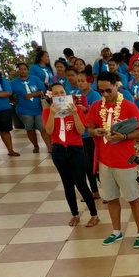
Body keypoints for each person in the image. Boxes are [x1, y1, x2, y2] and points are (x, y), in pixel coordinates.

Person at [85, 72, 139, 248]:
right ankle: (116, 231)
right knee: (111, 198)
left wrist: (124, 136)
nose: (105, 94)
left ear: (116, 86)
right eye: (101, 91)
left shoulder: (128, 106)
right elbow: (89, 128)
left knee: (132, 198)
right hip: (105, 161)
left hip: (125, 161)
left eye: (108, 90)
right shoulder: (96, 106)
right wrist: (95, 132)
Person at [43, 83, 99, 228]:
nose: (60, 96)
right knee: (67, 183)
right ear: (51, 96)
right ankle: (75, 214)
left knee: (80, 182)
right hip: (58, 149)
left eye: (62, 92)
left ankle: (94, 214)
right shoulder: (47, 112)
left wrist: (74, 114)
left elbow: (81, 131)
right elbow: (49, 131)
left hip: (75, 149)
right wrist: (52, 114)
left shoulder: (76, 109)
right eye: (56, 93)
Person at [11, 62, 50, 153]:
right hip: (24, 110)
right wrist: (12, 100)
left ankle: (49, 147)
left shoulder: (35, 79)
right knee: (29, 128)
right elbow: (9, 93)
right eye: (20, 69)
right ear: (18, 71)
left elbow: (44, 91)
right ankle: (36, 146)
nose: (23, 71)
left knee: (42, 127)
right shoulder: (13, 83)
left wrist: (32, 94)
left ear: (28, 70)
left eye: (25, 69)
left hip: (38, 108)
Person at [77, 74, 101, 199]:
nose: (80, 83)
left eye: (83, 81)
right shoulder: (78, 96)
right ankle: (94, 191)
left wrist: (85, 110)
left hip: (92, 134)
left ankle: (107, 192)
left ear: (90, 82)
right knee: (86, 165)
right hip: (81, 134)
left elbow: (98, 114)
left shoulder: (95, 95)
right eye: (79, 81)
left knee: (94, 164)